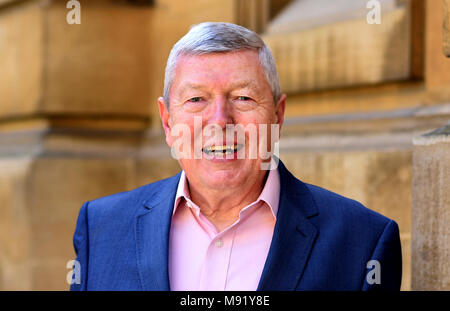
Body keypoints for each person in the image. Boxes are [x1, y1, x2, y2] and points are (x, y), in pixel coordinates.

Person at [70, 22, 402, 291]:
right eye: (196, 99)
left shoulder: (363, 242)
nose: (220, 121)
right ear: (168, 121)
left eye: (243, 98)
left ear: (277, 116)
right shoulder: (101, 228)